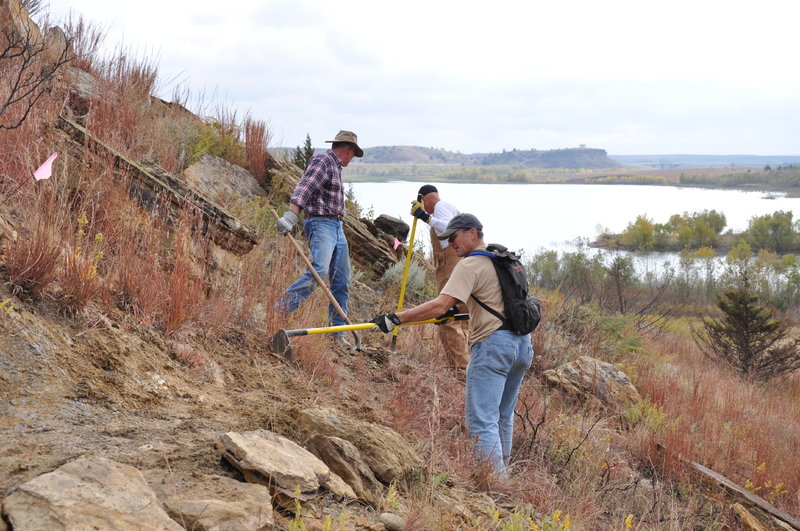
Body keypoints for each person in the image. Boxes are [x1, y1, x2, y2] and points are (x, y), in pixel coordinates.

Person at [370, 213, 533, 479]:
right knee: (503, 416)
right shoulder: (501, 260)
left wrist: (396, 319)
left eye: (454, 238)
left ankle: (495, 486)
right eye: (446, 239)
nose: (450, 244)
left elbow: (439, 304)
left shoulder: (470, 265)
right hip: (521, 345)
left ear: (472, 233)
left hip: (493, 347)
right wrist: (456, 311)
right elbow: (485, 303)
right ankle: (504, 475)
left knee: (482, 421)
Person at [275, 130, 363, 344]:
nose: (352, 158)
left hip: (336, 226)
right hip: (321, 223)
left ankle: (337, 334)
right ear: (348, 150)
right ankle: (278, 312)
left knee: (341, 281)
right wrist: (291, 214)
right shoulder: (324, 160)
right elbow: (305, 186)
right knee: (318, 272)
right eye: (353, 154)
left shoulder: (336, 166)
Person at [410, 185, 470, 370]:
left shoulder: (440, 207)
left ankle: (460, 370)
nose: (425, 208)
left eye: (423, 204)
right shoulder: (449, 207)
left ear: (424, 198)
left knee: (448, 315)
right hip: (458, 262)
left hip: (450, 263)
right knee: (463, 316)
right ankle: (468, 366)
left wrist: (424, 216)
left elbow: (448, 228)